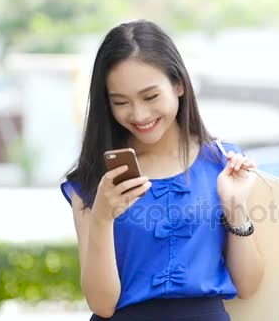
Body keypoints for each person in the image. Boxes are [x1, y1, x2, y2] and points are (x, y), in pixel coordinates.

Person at [60, 20, 265, 321]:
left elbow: (248, 286)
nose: (139, 114)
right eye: (120, 102)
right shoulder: (93, 180)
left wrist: (234, 206)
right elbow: (102, 305)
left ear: (179, 84)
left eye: (150, 97)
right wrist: (102, 217)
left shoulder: (224, 164)